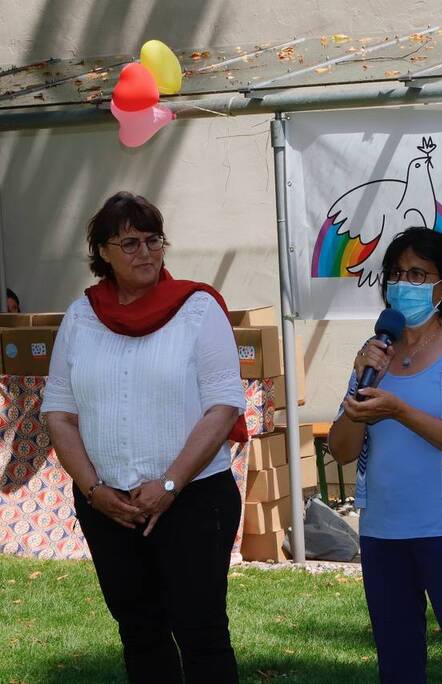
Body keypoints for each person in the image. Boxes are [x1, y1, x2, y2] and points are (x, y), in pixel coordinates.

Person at [41, 191, 248, 683]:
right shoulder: (81, 316)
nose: (146, 253)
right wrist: (95, 491)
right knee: (139, 632)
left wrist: (169, 485)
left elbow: (224, 405)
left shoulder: (198, 308)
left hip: (193, 500)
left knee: (202, 635)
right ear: (102, 253)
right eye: (130, 243)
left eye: (154, 240)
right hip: (108, 506)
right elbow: (59, 412)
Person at [329, 227, 442, 683]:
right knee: (398, 668)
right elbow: (341, 449)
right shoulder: (375, 355)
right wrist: (363, 387)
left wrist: (400, 411)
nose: (402, 284)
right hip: (384, 533)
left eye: (417, 274)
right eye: (395, 274)